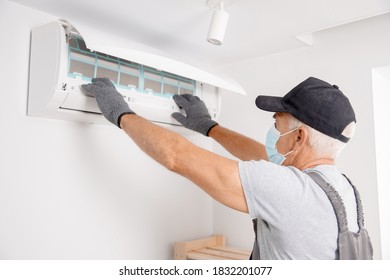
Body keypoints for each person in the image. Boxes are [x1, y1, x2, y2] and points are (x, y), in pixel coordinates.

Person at [82, 76, 372, 260]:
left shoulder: (290, 191)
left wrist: (121, 113)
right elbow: (263, 159)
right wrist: (210, 128)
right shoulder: (341, 188)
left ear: (299, 137)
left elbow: (176, 155)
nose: (272, 129)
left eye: (277, 123)